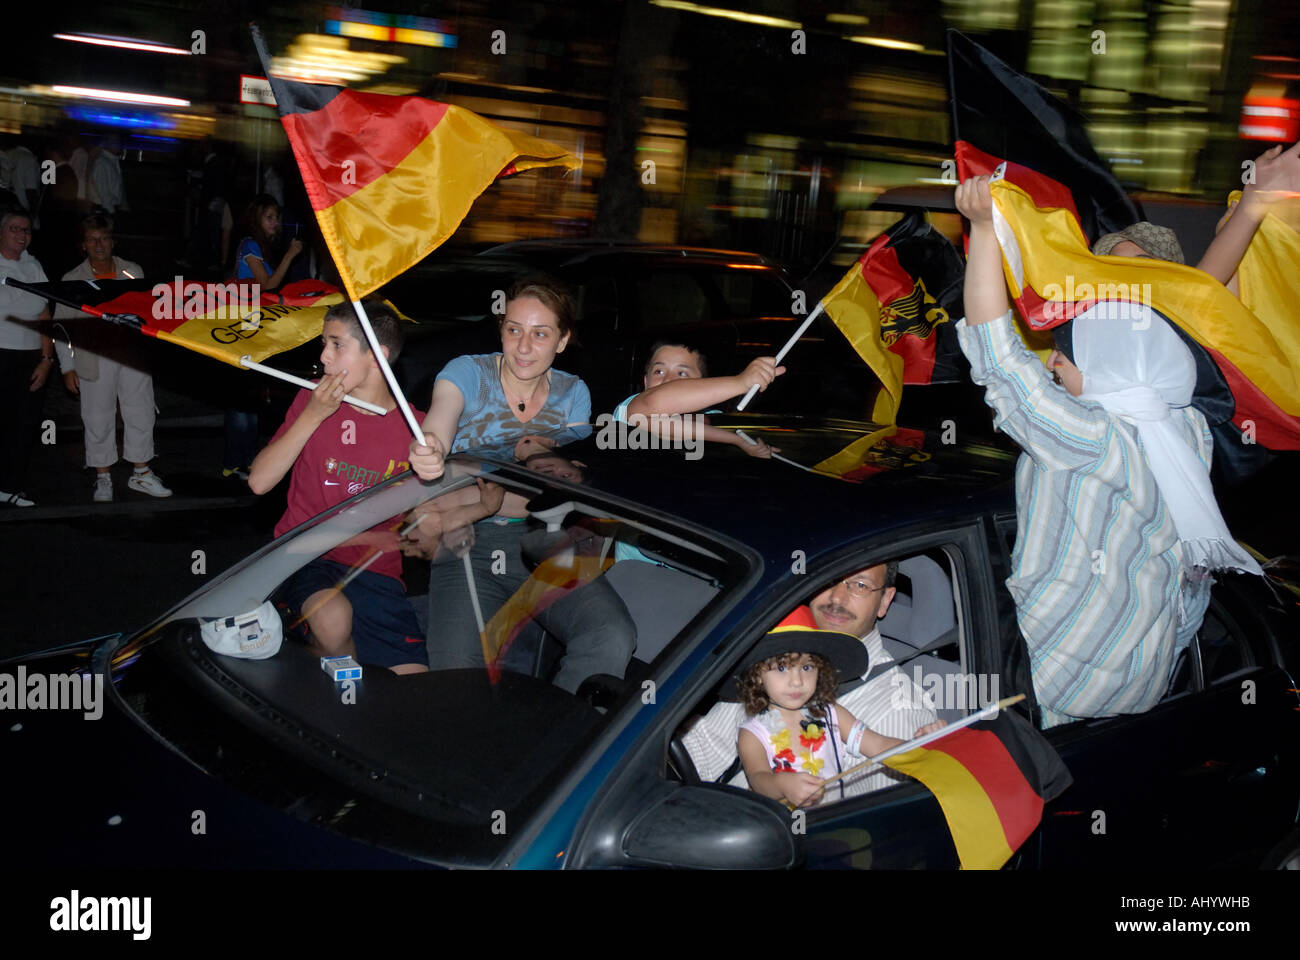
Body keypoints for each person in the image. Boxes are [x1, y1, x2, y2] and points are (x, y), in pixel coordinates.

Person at [953, 174, 1262, 728]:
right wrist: (1251, 210)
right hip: (1138, 698)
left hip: (1051, 705)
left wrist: (981, 232)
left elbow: (998, 360)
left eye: (1138, 281)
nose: (1124, 297)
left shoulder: (1087, 436)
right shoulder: (1189, 430)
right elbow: (1207, 319)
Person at [407, 275, 635, 691]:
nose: (524, 346)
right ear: (501, 330)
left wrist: (540, 465)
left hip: (547, 541)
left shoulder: (573, 393)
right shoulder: (468, 372)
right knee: (454, 680)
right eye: (514, 330)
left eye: (540, 334)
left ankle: (564, 743)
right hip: (469, 542)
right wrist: (430, 446)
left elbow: (571, 482)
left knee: (611, 635)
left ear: (562, 341)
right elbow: (441, 419)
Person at [248, 301, 428, 675]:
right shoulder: (313, 397)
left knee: (413, 682)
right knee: (333, 621)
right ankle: (318, 687)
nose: (324, 357)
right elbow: (260, 482)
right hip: (302, 554)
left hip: (374, 567)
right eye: (323, 344)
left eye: (336, 345)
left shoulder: (419, 429)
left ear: (376, 355)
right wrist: (314, 415)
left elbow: (430, 518)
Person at [683, 562, 943, 797]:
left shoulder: (896, 711)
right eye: (829, 579)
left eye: (860, 585)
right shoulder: (767, 657)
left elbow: (887, 828)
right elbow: (699, 752)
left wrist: (929, 750)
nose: (837, 597)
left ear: (885, 600)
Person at [732, 611, 905, 808]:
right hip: (784, 833)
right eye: (782, 668)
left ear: (819, 671)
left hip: (832, 824)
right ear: (758, 675)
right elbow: (758, 779)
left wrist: (923, 746)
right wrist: (782, 784)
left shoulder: (832, 715)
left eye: (807, 668)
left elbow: (877, 744)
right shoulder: (752, 733)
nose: (797, 681)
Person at [53, 214, 170, 502]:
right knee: (97, 415)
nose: (99, 244)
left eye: (103, 238)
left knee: (141, 411)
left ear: (112, 241)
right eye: (92, 239)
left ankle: (141, 473)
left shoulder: (133, 272)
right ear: (84, 245)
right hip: (93, 356)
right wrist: (67, 366)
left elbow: (150, 314)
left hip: (132, 356)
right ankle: (103, 476)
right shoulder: (72, 280)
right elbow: (61, 327)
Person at [612, 340, 783, 457]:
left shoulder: (714, 417)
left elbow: (685, 427)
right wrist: (740, 382)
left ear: (702, 385)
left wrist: (739, 441)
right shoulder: (627, 409)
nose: (668, 380)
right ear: (645, 381)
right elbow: (655, 402)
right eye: (659, 371)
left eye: (682, 373)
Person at [0, 206, 54, 507]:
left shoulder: (34, 268)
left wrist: (46, 361)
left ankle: (10, 487)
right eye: (14, 229)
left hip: (29, 356)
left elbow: (45, 314)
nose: (22, 235)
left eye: (26, 230)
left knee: (22, 424)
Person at [234, 194, 303, 290]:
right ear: (257, 218)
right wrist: (289, 256)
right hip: (249, 303)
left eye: (276, 217)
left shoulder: (265, 246)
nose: (275, 222)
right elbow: (267, 285)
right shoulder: (250, 245)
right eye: (269, 217)